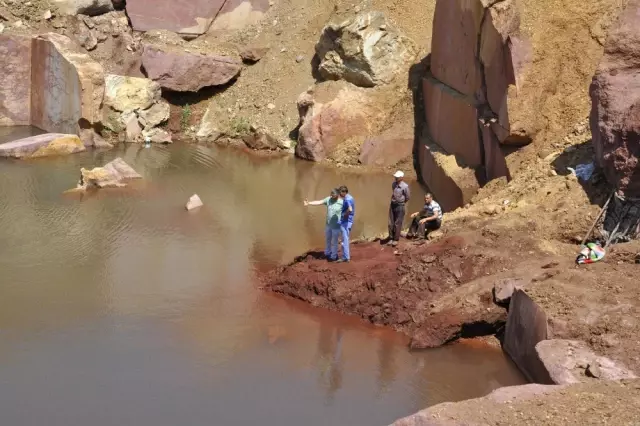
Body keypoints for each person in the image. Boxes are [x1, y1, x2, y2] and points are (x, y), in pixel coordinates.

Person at [304, 188, 344, 261]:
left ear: (338, 195)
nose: (331, 196)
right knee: (327, 239)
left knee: (334, 241)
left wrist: (342, 221)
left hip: (336, 226)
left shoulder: (341, 202)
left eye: (333, 194)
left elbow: (347, 211)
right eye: (331, 194)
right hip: (328, 224)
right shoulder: (328, 199)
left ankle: (334, 256)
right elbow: (319, 202)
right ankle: (327, 252)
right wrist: (309, 203)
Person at [388, 170, 410, 247]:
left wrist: (401, 202)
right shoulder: (393, 184)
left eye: (397, 177)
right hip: (393, 204)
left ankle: (395, 239)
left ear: (401, 178)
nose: (395, 178)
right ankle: (390, 237)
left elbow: (407, 197)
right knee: (390, 222)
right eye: (395, 177)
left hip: (400, 206)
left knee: (398, 223)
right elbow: (393, 193)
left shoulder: (405, 186)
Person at [338, 185, 355, 263]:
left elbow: (350, 209)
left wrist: (344, 215)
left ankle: (346, 257)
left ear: (344, 192)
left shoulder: (347, 199)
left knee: (345, 239)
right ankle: (346, 256)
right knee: (345, 238)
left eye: (340, 192)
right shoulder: (349, 197)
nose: (339, 194)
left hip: (346, 221)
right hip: (348, 221)